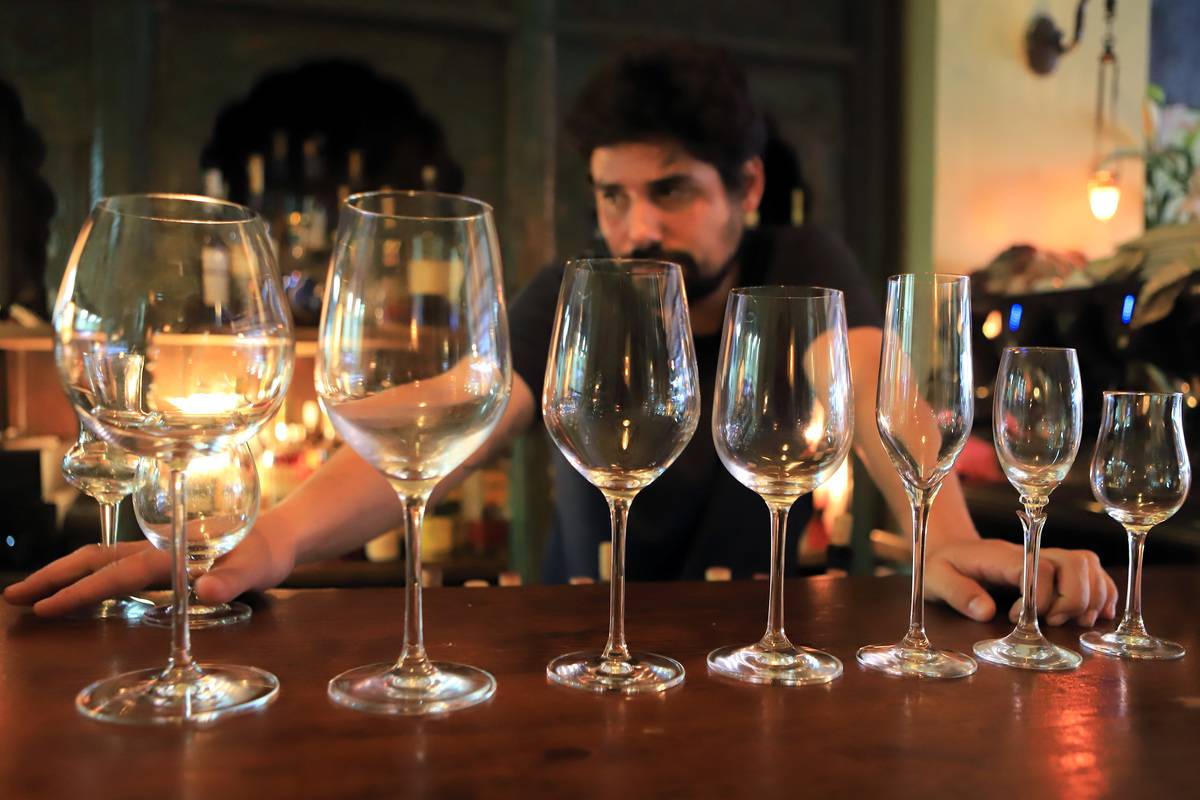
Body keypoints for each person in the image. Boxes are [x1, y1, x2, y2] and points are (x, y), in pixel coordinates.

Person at [6, 44, 1117, 627]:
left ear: (746, 189)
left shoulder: (800, 271)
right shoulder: (575, 291)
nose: (639, 227)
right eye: (614, 195)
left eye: (672, 191)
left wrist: (947, 535)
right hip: (583, 640)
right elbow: (455, 406)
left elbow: (874, 387)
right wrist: (268, 538)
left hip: (753, 637)